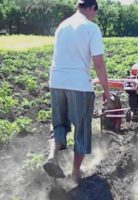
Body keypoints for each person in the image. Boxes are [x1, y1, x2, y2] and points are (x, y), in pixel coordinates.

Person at [43, 0, 110, 183]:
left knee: (59, 124)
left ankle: (52, 155)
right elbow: (98, 63)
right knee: (81, 128)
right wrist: (106, 89)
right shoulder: (91, 28)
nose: (94, 16)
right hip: (78, 86)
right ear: (91, 8)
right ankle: (75, 172)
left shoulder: (62, 26)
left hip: (56, 81)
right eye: (94, 13)